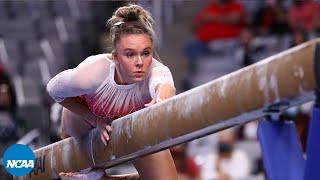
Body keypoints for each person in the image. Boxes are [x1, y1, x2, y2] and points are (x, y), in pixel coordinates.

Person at [46, 4, 178, 180]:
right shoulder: (93, 72)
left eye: (146, 53)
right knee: (72, 117)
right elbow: (53, 89)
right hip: (85, 126)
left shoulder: (156, 71)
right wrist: (92, 117)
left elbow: (165, 85)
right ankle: (89, 170)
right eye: (130, 54)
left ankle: (99, 178)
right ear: (115, 57)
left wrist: (161, 101)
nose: (140, 62)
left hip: (128, 129)